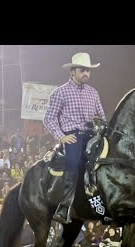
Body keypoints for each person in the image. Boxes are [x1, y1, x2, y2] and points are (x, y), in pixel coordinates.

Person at [43, 52, 106, 224]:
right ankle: (65, 206)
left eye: (88, 70)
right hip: (73, 137)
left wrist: (102, 129)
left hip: (92, 136)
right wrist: (61, 136)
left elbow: (102, 117)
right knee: (73, 163)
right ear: (72, 72)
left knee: (104, 163)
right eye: (82, 70)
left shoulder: (93, 93)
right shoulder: (60, 92)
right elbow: (49, 118)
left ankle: (101, 202)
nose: (86, 73)